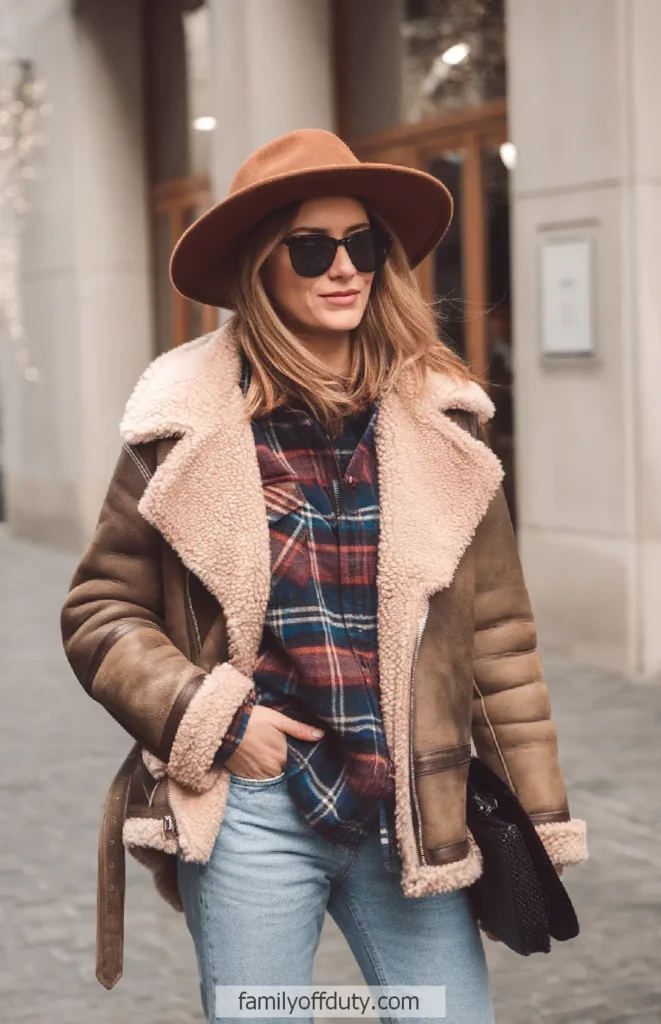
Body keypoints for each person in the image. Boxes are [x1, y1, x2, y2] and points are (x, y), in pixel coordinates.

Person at [60, 129, 588, 1024]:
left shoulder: (444, 422)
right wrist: (213, 720)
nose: (343, 268)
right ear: (261, 267)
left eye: (362, 244)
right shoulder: (182, 426)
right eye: (311, 247)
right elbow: (100, 610)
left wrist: (537, 817)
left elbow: (497, 639)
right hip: (256, 807)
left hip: (407, 809)